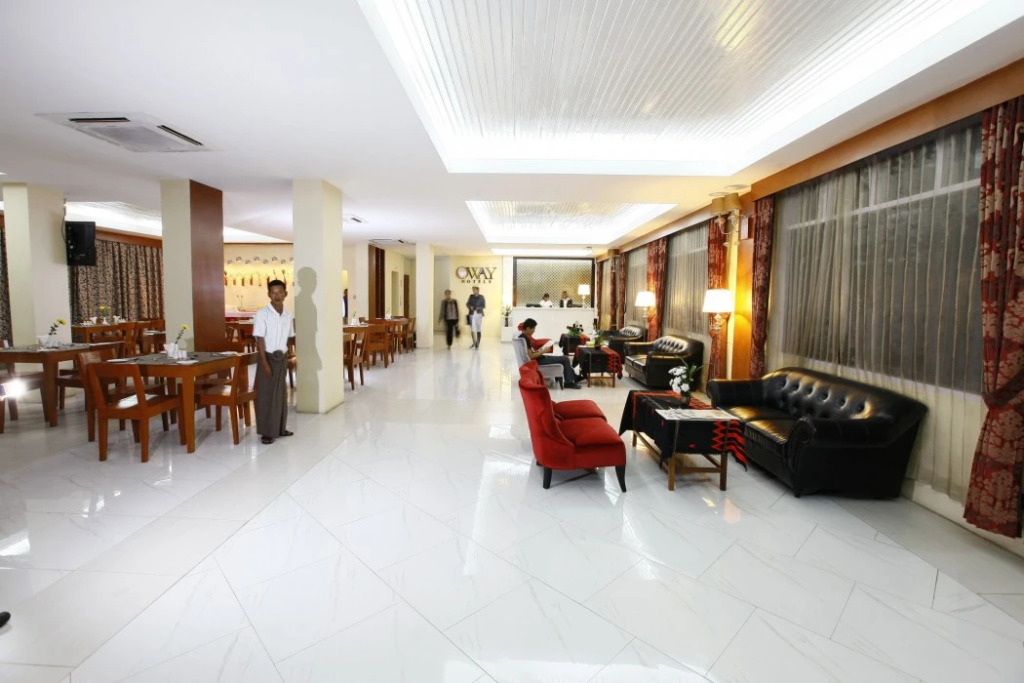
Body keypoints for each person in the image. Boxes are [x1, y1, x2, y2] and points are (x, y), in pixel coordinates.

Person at [253, 279, 294, 445]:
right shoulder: (262, 314)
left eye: (280, 292)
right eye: (273, 292)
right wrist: (265, 364)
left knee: (281, 396)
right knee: (266, 396)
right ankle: (266, 432)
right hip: (268, 358)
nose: (277, 295)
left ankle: (280, 428)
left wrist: (288, 357)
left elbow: (289, 338)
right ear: (269, 294)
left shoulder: (288, 314)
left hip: (281, 358)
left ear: (285, 294)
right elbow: (259, 340)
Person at [519, 318, 582, 389]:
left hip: (538, 359)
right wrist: (543, 351)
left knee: (563, 358)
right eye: (533, 329)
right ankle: (569, 382)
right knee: (565, 359)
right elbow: (531, 356)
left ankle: (573, 377)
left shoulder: (522, 337)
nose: (534, 331)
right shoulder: (526, 339)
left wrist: (540, 350)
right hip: (538, 361)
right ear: (528, 328)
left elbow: (529, 354)